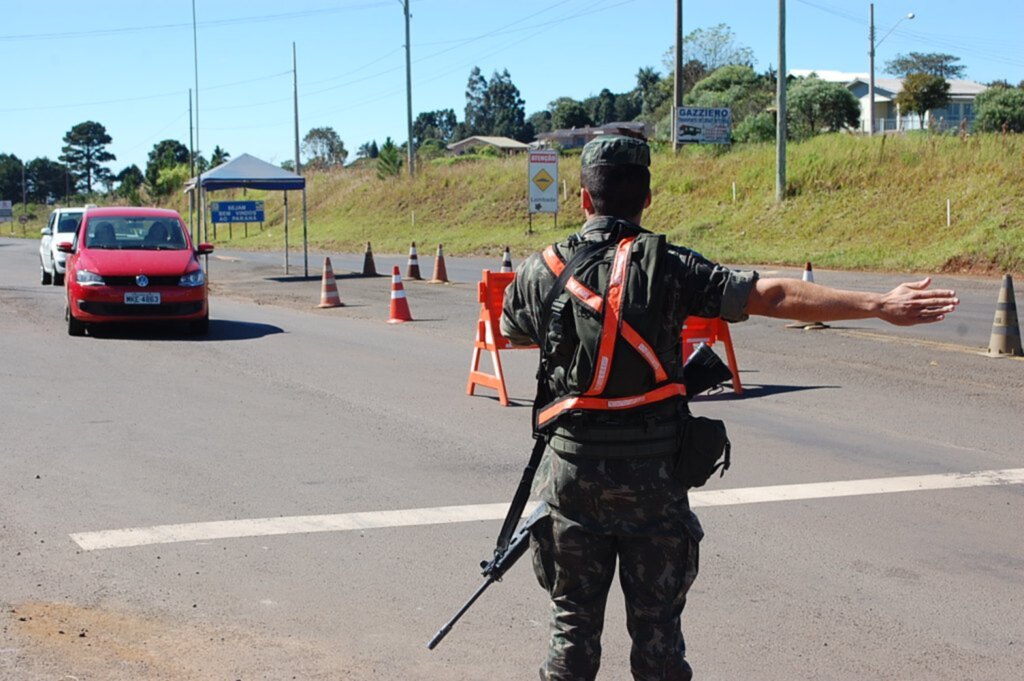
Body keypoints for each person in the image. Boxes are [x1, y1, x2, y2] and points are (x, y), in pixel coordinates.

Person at [499, 134, 958, 681]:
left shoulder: (542, 268)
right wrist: (879, 304)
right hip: (655, 481)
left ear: (583, 199)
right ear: (647, 198)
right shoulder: (672, 266)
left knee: (571, 632)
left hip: (571, 479)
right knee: (659, 638)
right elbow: (773, 295)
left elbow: (514, 331)